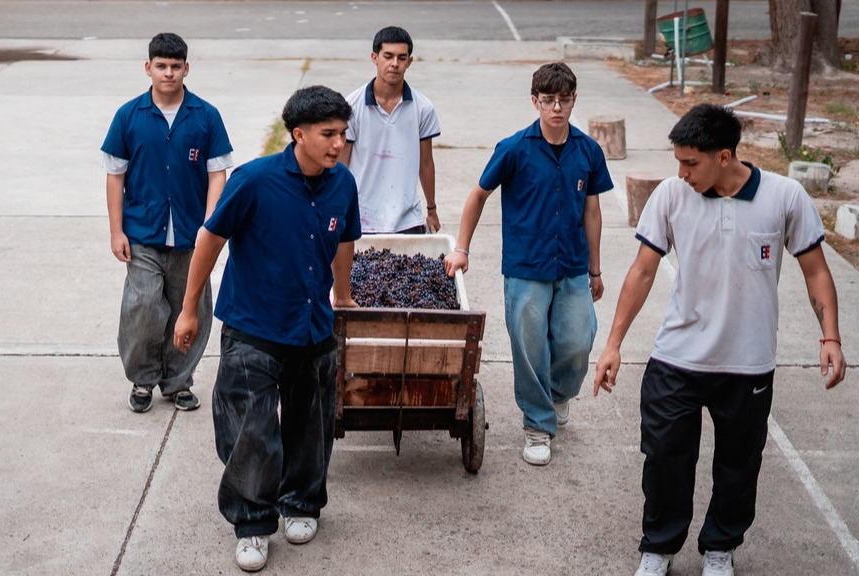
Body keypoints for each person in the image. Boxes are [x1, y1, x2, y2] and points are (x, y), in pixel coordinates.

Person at [592, 104, 846, 576]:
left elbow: (816, 271)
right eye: (679, 162)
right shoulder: (670, 195)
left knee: (738, 465)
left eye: (691, 163)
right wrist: (613, 344)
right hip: (677, 357)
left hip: (747, 363)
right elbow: (643, 272)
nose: (682, 173)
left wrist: (829, 336)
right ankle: (658, 547)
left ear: (724, 156)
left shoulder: (785, 197)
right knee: (665, 458)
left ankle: (720, 548)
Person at [174, 85, 360, 572]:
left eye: (342, 133)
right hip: (254, 327)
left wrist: (341, 295)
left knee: (311, 427)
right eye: (328, 134)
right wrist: (189, 308)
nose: (338, 144)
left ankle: (300, 502)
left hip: (313, 328)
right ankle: (253, 522)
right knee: (249, 431)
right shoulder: (253, 181)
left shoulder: (343, 184)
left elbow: (345, 242)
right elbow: (209, 238)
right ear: (297, 134)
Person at [444, 62, 611, 466]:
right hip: (525, 267)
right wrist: (462, 248)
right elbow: (478, 196)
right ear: (535, 101)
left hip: (571, 265)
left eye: (564, 100)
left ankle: (556, 394)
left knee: (578, 340)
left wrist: (596, 268)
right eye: (549, 100)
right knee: (530, 348)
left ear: (573, 101)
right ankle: (538, 424)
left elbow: (592, 211)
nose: (557, 107)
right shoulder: (515, 148)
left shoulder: (588, 151)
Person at [101, 32, 234, 413]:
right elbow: (114, 175)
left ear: (186, 69)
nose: (169, 73)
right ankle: (142, 380)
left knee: (188, 308)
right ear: (148, 69)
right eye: (161, 66)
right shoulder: (129, 116)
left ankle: (178, 382)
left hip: (192, 237)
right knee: (142, 307)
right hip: (142, 233)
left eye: (176, 66)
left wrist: (211, 226)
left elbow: (217, 175)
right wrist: (116, 230)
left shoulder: (206, 116)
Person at [339, 25, 441, 234]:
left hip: (407, 219)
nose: (395, 64)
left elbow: (426, 163)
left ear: (410, 62)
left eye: (402, 58)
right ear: (374, 57)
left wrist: (431, 209)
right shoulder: (351, 106)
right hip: (361, 218)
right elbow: (341, 163)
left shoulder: (423, 108)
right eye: (388, 56)